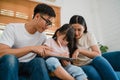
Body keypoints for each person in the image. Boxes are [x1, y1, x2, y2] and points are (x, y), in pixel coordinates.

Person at [0, 3, 56, 80]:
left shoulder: (42, 36)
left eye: (50, 24)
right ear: (37, 17)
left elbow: (43, 53)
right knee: (10, 59)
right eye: (48, 22)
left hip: (28, 66)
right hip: (12, 64)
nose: (48, 27)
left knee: (39, 61)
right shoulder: (12, 28)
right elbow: (2, 52)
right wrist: (31, 48)